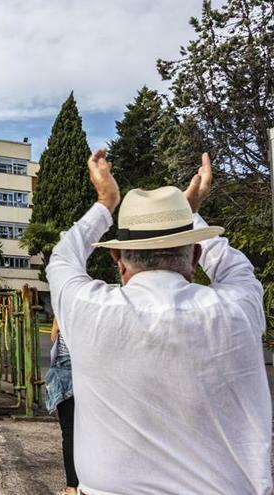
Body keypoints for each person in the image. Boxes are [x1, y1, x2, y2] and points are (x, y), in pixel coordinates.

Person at [47, 149, 272, 493]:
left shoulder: (88, 309)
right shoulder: (238, 307)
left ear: (118, 260)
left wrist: (106, 202)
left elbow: (63, 256)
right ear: (195, 255)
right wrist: (190, 215)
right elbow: (234, 266)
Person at [44, 319, 76, 495]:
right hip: (90, 372)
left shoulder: (64, 303)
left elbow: (53, 334)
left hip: (65, 371)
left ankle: (72, 487)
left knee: (70, 431)